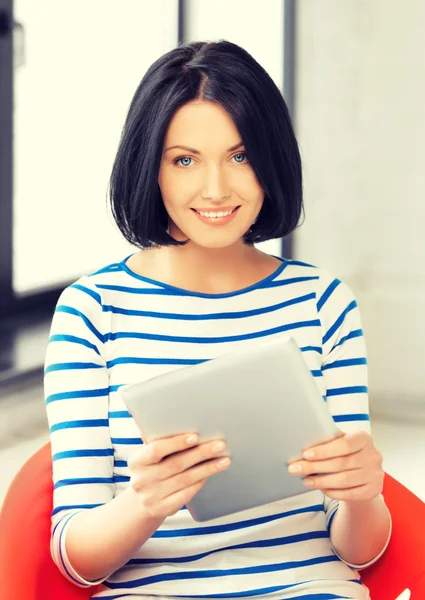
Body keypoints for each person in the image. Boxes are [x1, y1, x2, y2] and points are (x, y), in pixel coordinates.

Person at [44, 40, 392, 600]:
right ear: (150, 167)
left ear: (271, 159)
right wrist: (145, 503)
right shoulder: (92, 310)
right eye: (184, 160)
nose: (215, 189)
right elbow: (76, 561)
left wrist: (362, 494)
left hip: (307, 586)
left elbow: (362, 550)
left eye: (240, 155)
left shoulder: (323, 302)